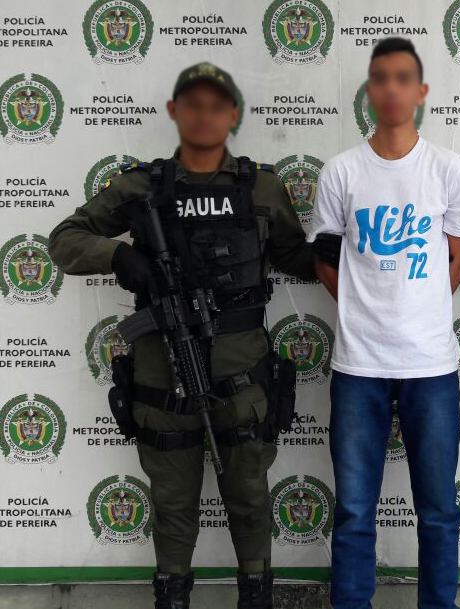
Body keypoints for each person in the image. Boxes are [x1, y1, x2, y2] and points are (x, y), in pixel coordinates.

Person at [48, 62, 315, 609]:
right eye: (193, 105)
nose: (204, 116)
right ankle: (171, 595)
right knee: (172, 499)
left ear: (232, 114)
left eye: (216, 105)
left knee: (249, 496)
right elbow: (64, 240)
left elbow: (293, 256)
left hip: (243, 375)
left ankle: (256, 595)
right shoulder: (139, 186)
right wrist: (117, 255)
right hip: (162, 369)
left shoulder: (262, 187)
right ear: (175, 112)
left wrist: (343, 252)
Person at [308, 37, 460, 609]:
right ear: (369, 90)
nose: (391, 89)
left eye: (403, 78)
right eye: (380, 77)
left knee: (439, 510)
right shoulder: (341, 171)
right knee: (354, 511)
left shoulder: (448, 169)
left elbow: (458, 259)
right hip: (359, 366)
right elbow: (324, 259)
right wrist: (366, 306)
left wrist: (418, 308)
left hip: (431, 366)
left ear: (420, 91)